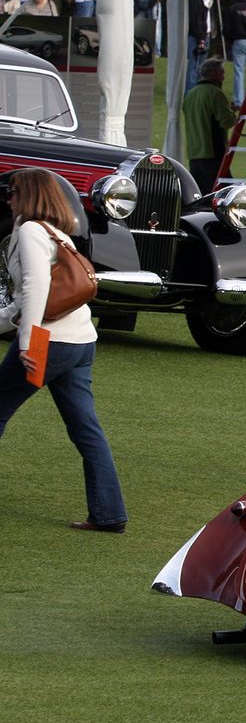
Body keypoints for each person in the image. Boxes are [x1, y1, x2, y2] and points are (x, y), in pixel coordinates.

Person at [0, 169, 128, 533]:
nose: (8, 199)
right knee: (87, 431)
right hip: (80, 341)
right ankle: (109, 514)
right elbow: (27, 301)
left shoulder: (28, 230)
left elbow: (37, 286)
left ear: (27, 196)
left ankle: (109, 514)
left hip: (47, 342)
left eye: (12, 193)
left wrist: (28, 342)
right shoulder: (58, 233)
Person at [181, 60, 237, 194]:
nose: (223, 77)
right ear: (215, 73)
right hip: (212, 151)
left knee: (198, 193)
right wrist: (232, 112)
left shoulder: (190, 95)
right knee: (224, 193)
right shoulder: (216, 93)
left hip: (194, 152)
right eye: (222, 73)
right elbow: (226, 122)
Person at [186, 0, 218, 93]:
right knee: (194, 64)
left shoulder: (208, 1)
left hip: (205, 35)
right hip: (197, 37)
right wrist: (201, 38)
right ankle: (189, 90)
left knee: (202, 65)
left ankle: (199, 88)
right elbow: (196, 21)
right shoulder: (197, 0)